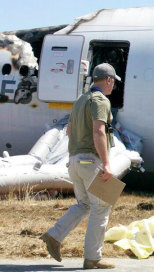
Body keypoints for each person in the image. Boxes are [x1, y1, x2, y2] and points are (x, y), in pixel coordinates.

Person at [40, 63, 121, 269]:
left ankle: (54, 236)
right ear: (109, 80)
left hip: (74, 162)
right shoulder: (101, 100)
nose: (114, 87)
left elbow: (68, 131)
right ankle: (93, 257)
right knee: (101, 207)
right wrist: (106, 163)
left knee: (84, 204)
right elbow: (98, 132)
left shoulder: (79, 100)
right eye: (114, 82)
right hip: (90, 161)